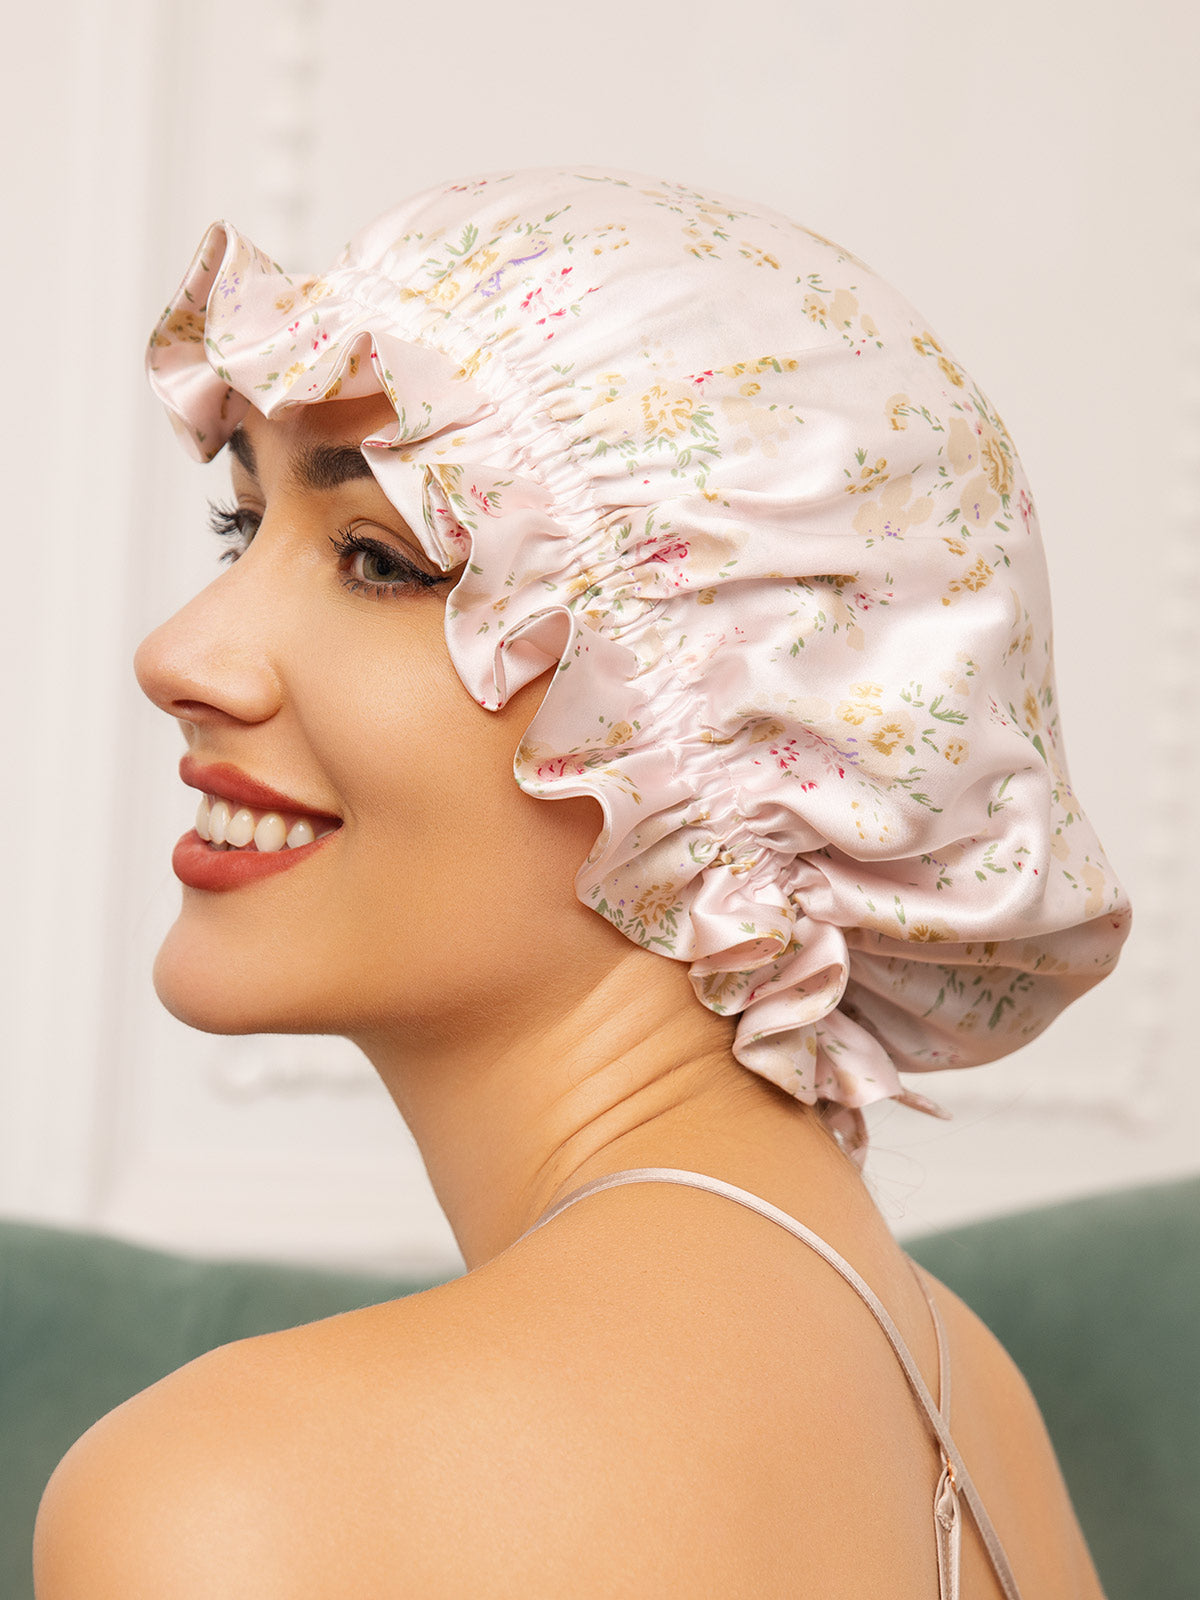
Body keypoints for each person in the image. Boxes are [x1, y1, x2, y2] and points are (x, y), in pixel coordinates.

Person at [33, 167, 1128, 1597]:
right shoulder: (959, 1391)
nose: (179, 654)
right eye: (242, 530)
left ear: (708, 720)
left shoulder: (242, 1499)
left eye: (382, 560)